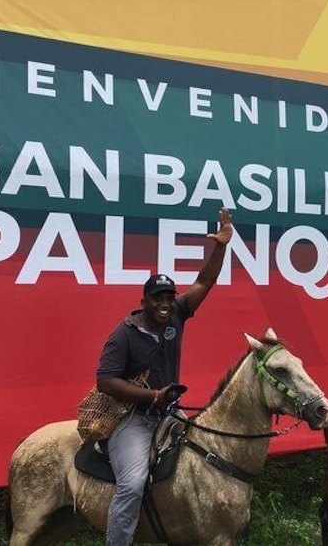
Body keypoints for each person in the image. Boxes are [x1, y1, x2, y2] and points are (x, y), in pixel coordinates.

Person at [96, 207, 233, 546]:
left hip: (170, 415)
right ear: (143, 301)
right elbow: (105, 380)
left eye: (170, 297)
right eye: (158, 298)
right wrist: (151, 397)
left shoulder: (176, 317)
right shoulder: (124, 334)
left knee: (206, 462)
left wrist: (222, 247)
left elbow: (204, 281)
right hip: (133, 418)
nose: (166, 303)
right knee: (132, 483)